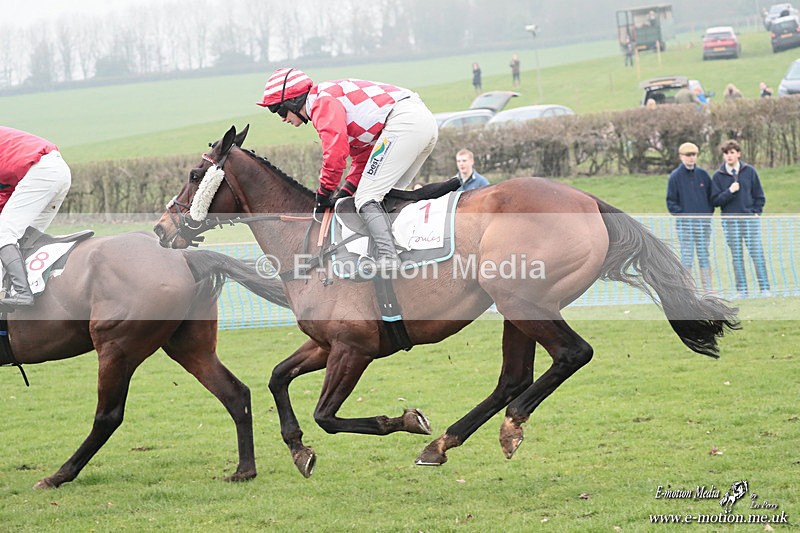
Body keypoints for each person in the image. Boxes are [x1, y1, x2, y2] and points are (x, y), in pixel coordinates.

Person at [257, 68, 438, 273]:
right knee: (386, 196)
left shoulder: (321, 103)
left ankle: (389, 258)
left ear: (293, 101)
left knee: (367, 198)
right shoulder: (326, 97)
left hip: (406, 123)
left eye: (280, 111)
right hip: (420, 122)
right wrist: (344, 193)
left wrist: (323, 194)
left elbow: (335, 155)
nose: (282, 119)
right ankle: (402, 250)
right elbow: (363, 157)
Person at [0, 127, 72, 308]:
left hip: (40, 172)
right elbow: (5, 193)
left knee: (4, 234)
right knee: (24, 238)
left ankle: (23, 293)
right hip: (57, 170)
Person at [710, 140, 770, 297]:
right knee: (737, 257)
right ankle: (742, 290)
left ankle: (765, 289)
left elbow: (759, 196)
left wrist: (756, 213)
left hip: (749, 220)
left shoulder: (749, 171)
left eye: (732, 152)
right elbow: (715, 201)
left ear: (738, 154)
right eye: (726, 153)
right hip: (730, 222)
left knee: (757, 254)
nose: (729, 156)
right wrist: (730, 191)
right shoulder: (718, 176)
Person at [666, 142, 714, 291]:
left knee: (704, 255)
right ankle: (688, 290)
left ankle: (708, 289)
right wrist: (683, 216)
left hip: (703, 225)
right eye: (688, 155)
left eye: (693, 155)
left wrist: (707, 214)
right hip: (685, 225)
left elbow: (711, 197)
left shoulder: (703, 175)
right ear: (681, 156)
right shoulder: (675, 177)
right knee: (687, 256)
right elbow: (671, 202)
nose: (691, 158)